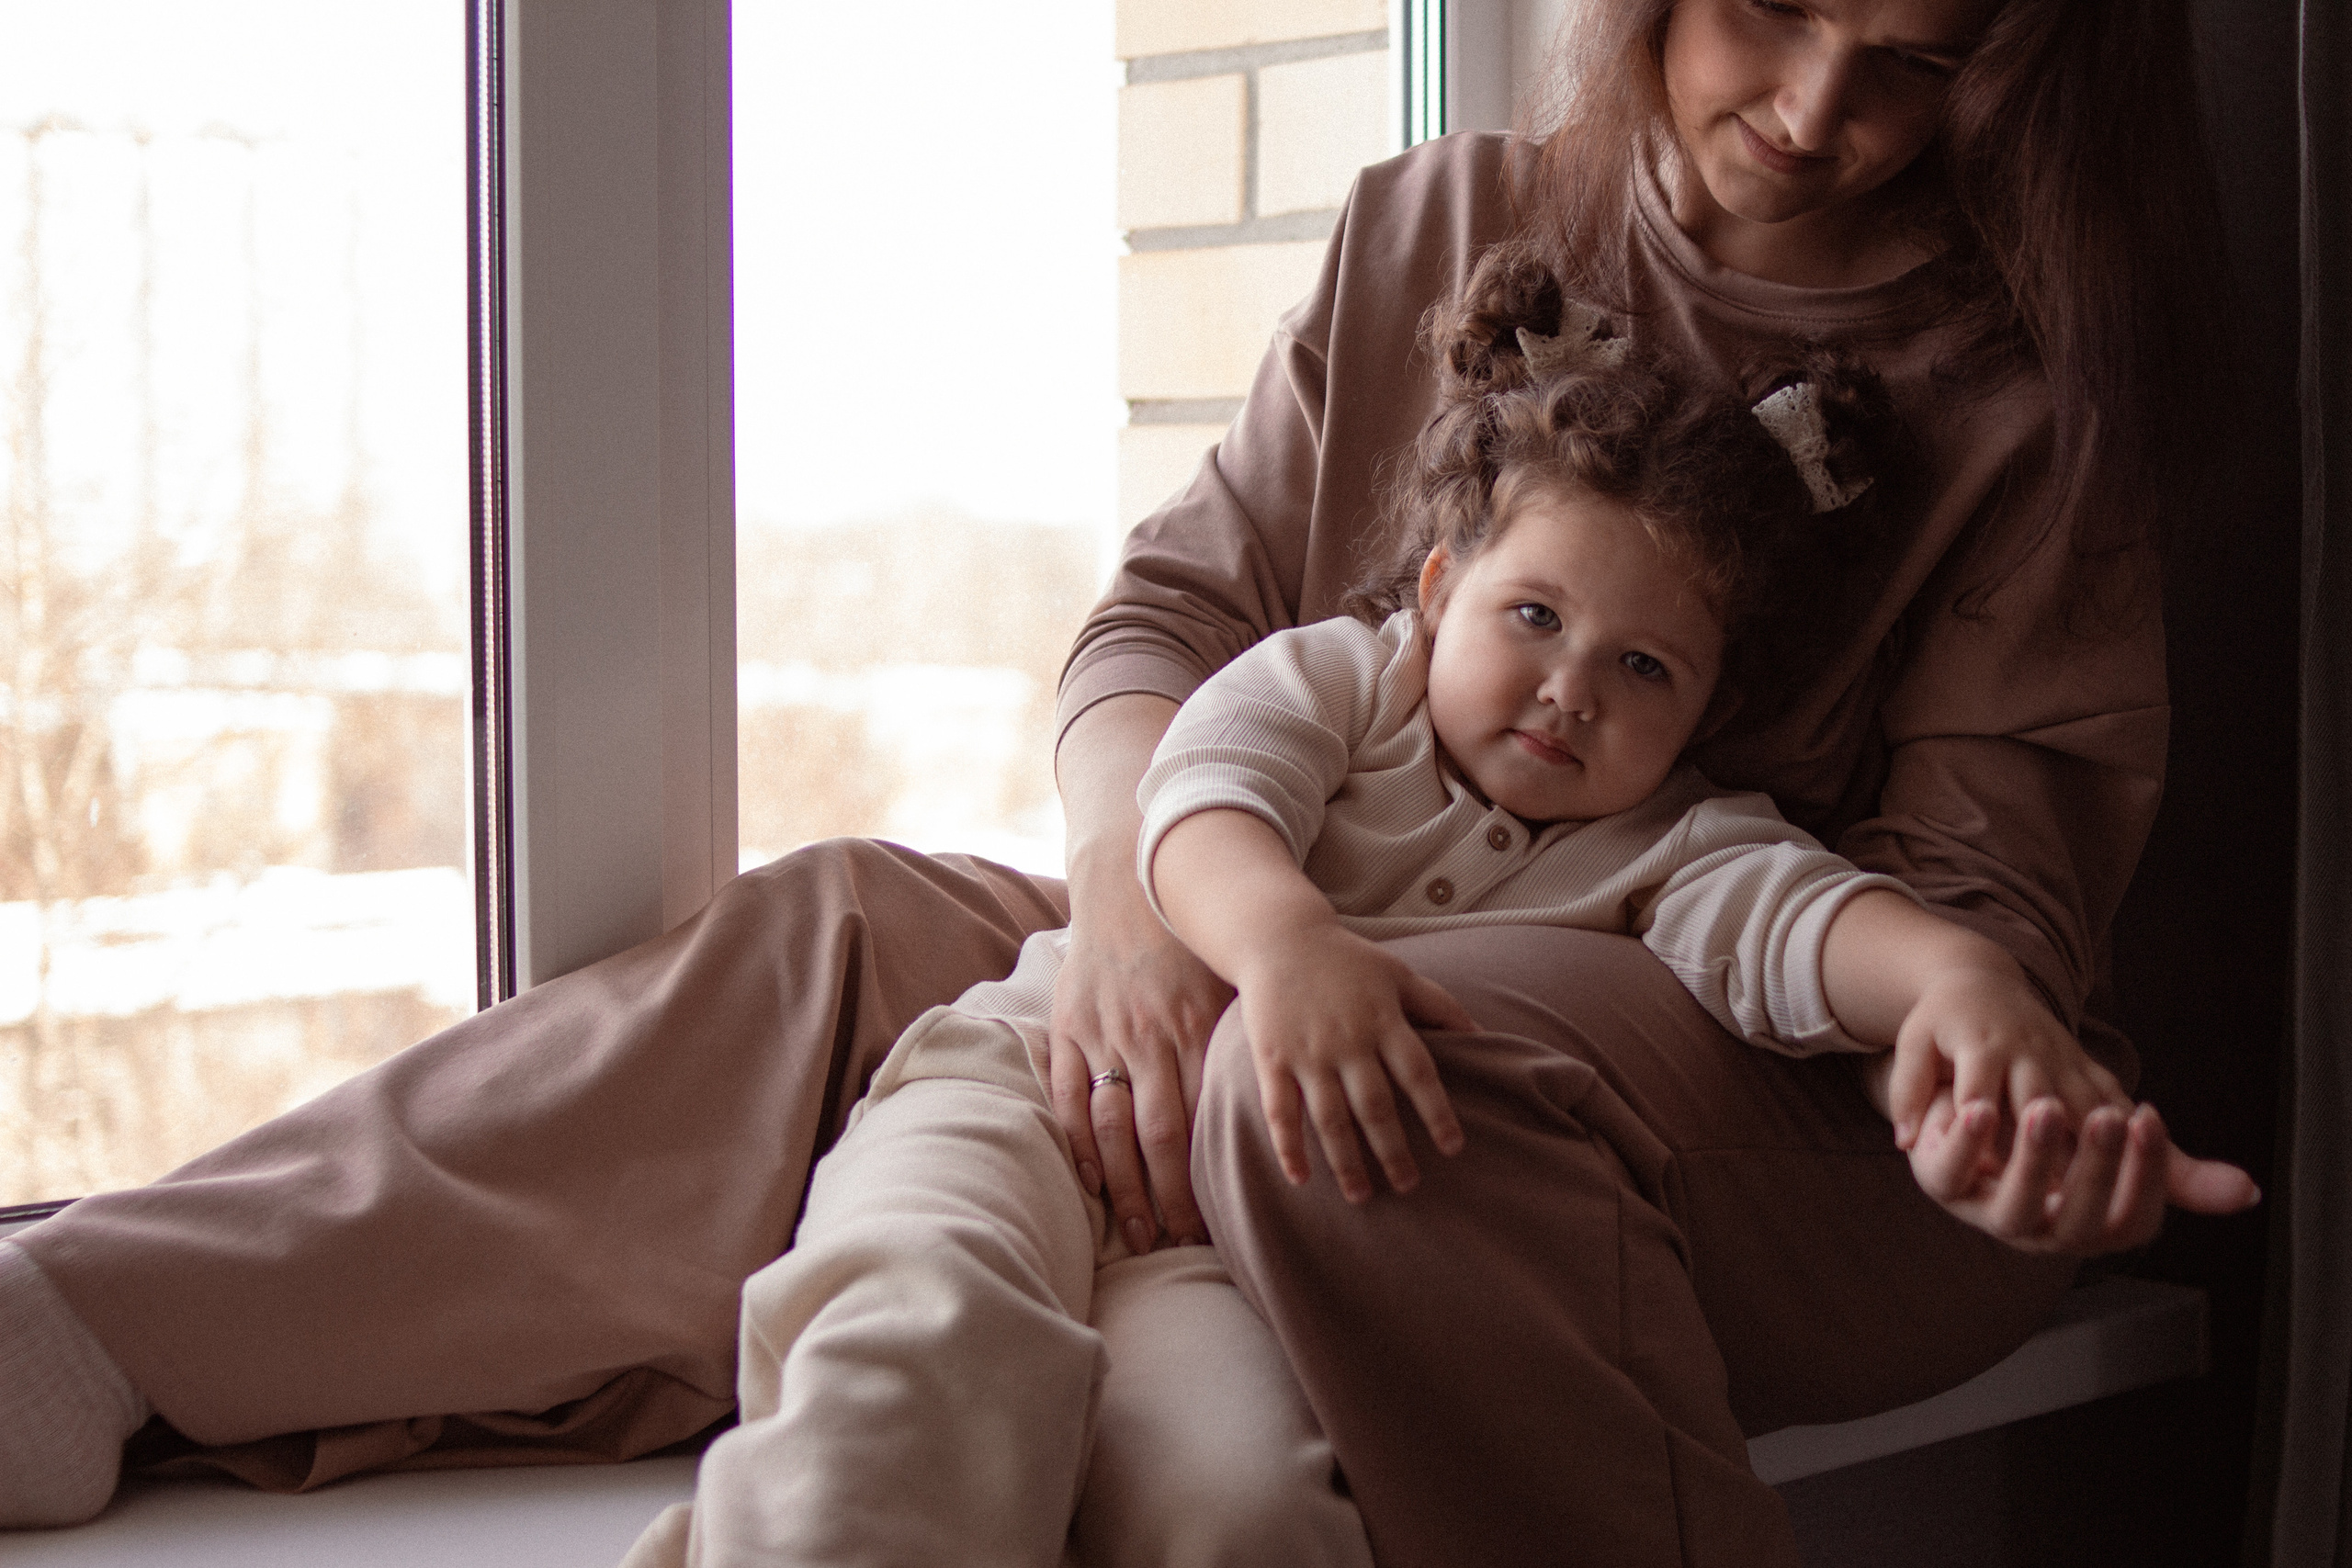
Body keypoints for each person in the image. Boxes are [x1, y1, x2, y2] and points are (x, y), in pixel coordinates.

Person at [0, 0, 2259, 1560]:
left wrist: (1977, 1036)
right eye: (1769, 7)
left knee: (1395, 1052)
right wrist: (1127, 906)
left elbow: (1938, 915)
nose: (1808, 108)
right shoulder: (1437, 225)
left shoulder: (2022, 403)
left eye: (1923, 59)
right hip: (1311, 925)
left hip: (1762, 1066)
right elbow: (1164, 640)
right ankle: (109, 1319)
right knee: (857, 927)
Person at [617, 305, 2161, 1568]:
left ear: (1709, 713)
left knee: (1248, 1509)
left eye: (1643, 667)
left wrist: (1958, 978)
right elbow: (1199, 804)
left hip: (1210, 1252)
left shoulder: (1670, 849)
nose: (1571, 693)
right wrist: (1288, 951)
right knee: (915, 1360)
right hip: (1029, 1094)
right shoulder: (1343, 688)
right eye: (1535, 620)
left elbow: (1807, 929)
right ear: (1437, 594)